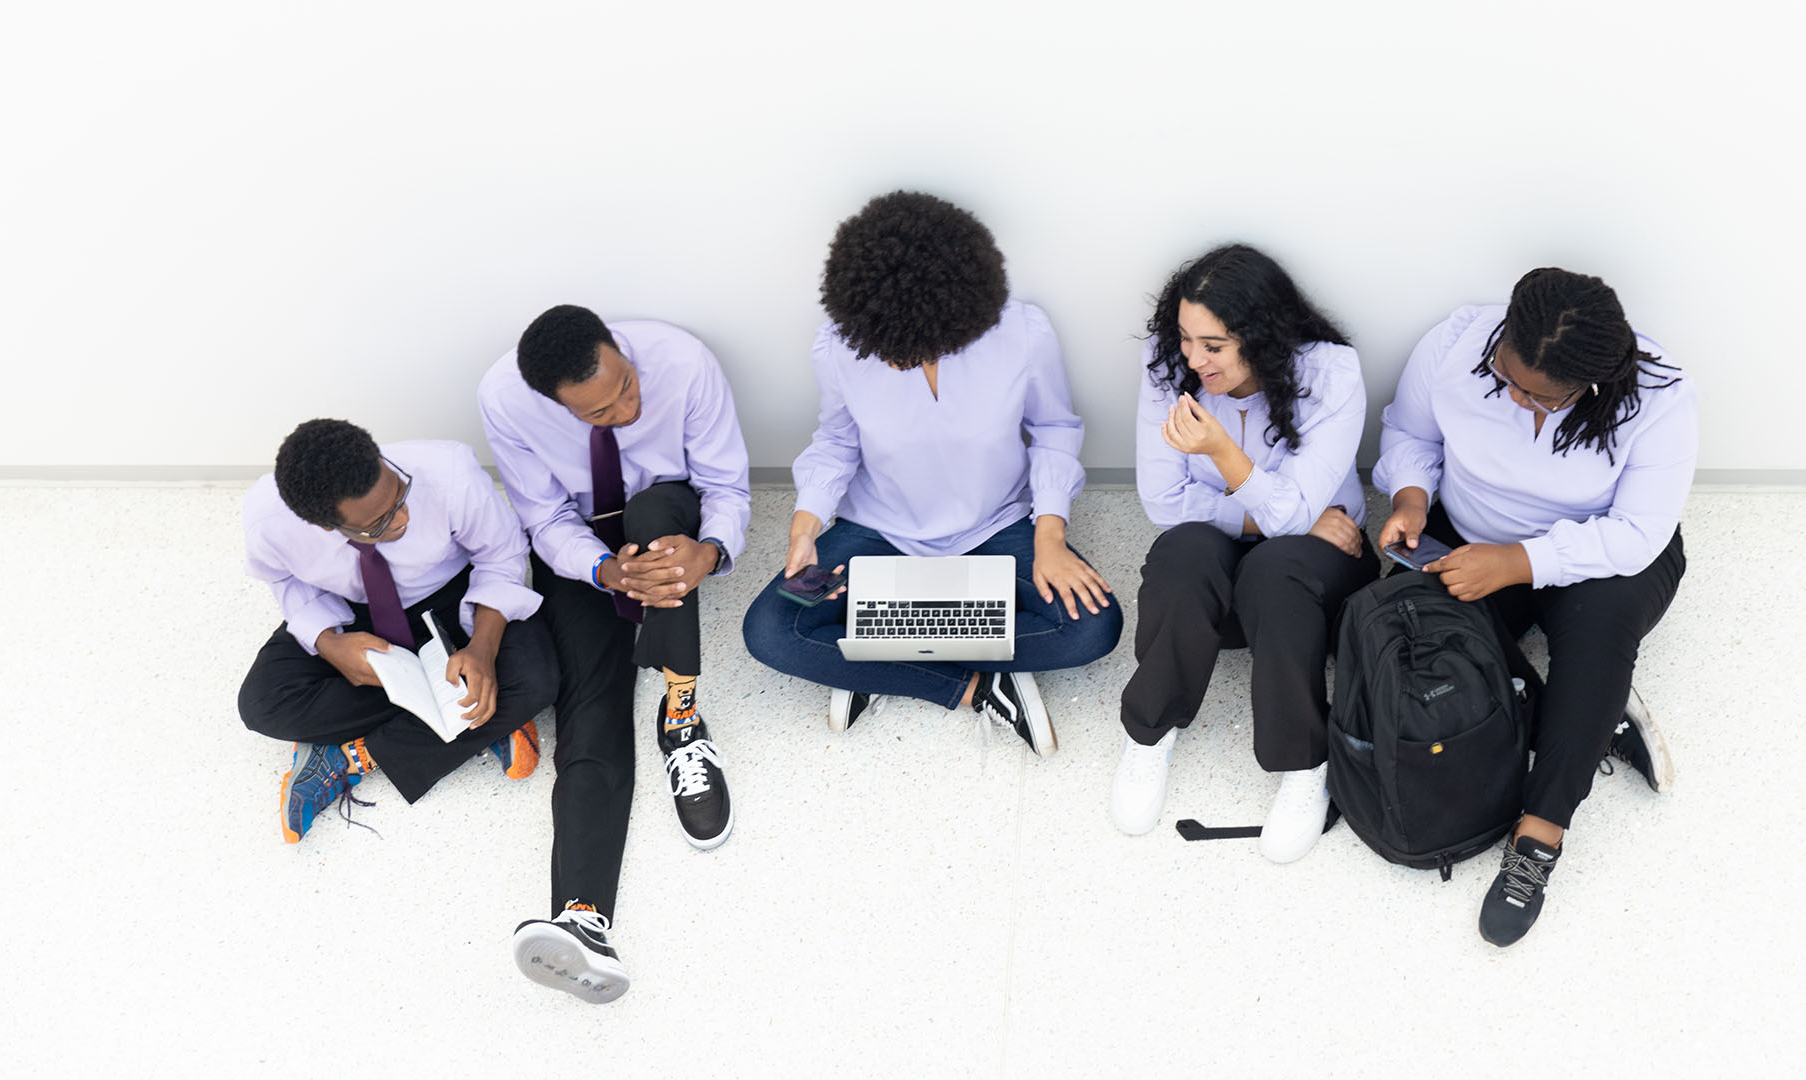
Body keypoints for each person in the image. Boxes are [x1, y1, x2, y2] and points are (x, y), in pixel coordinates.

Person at [1372, 267, 1695, 947]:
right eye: (1507, 379)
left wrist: (1520, 562)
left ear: (1594, 388)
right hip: (1472, 533)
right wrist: (1410, 498)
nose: (1517, 400)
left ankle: (1539, 835)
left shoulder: (1661, 396)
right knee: (1421, 650)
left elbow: (1638, 534)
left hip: (1607, 557)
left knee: (1602, 633)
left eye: (1541, 398)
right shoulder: (1456, 345)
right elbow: (1411, 434)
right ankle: (1597, 713)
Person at [742, 190, 1122, 755]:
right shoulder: (841, 346)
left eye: (907, 353)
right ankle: (973, 684)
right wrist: (805, 526)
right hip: (880, 529)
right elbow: (837, 439)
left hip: (996, 525)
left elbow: (1055, 429)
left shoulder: (1022, 334)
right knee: (769, 632)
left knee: (1095, 626)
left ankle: (872, 660)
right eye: (882, 350)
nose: (891, 363)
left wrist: (1050, 536)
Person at [480, 303, 751, 1003]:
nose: (625, 410)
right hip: (587, 547)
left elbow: (724, 486)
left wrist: (710, 552)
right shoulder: (504, 402)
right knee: (589, 712)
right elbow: (542, 517)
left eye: (626, 386)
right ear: (555, 404)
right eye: (599, 412)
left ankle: (682, 716)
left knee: (661, 529)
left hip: (666, 514)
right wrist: (602, 571)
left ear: (620, 350)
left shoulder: (682, 362)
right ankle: (584, 916)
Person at [1109, 244, 1377, 860]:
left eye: (1213, 346)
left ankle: (1305, 764)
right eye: (1184, 339)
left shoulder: (1331, 375)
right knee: (1183, 554)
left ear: (1261, 337)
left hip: (1312, 578)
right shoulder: (1168, 369)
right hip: (1241, 567)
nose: (1193, 359)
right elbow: (1162, 501)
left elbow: (1285, 516)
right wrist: (1285, 520)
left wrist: (1223, 453)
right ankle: (1150, 734)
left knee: (1275, 572)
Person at [239, 419, 555, 844]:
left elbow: (503, 555)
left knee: (538, 681)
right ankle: (480, 722)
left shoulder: (451, 472)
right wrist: (330, 644)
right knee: (262, 704)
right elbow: (285, 581)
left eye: (400, 494)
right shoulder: (268, 521)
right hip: (355, 613)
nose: (404, 515)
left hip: (455, 596)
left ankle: (349, 757)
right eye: (381, 522)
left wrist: (482, 646)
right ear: (326, 525)